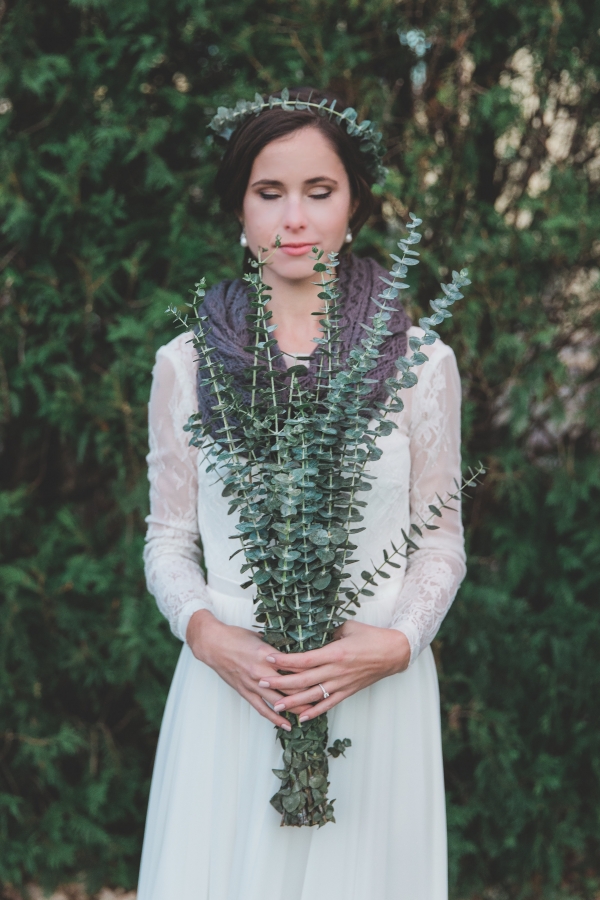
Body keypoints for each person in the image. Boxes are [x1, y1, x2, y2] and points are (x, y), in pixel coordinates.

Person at [137, 87, 465, 900]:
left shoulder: (423, 363)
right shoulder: (186, 364)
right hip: (233, 698)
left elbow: (441, 539)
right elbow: (168, 539)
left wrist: (399, 643)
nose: (295, 219)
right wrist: (208, 636)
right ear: (238, 210)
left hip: (374, 696)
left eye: (319, 193)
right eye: (269, 192)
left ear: (353, 205)